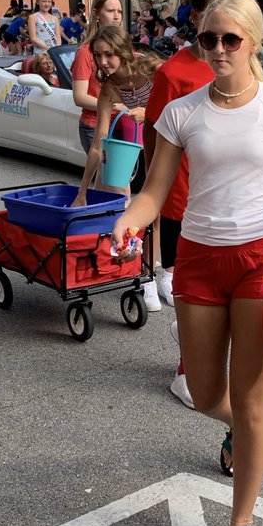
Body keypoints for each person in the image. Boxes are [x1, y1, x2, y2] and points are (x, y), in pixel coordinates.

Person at [111, 0, 263, 526]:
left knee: (253, 398)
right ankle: (242, 432)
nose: (220, 49)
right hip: (198, 258)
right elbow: (154, 190)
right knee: (203, 393)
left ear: (253, 42)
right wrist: (130, 219)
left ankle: (242, 524)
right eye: (209, 39)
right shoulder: (183, 112)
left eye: (232, 39)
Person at [143, 0, 239, 409]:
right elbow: (154, 144)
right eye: (218, 14)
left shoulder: (241, 65)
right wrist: (154, 202)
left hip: (232, 204)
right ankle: (187, 371)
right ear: (198, 17)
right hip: (186, 203)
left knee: (226, 301)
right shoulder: (174, 73)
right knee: (195, 297)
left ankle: (206, 365)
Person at [72, 23, 161, 311]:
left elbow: (181, 102)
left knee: (161, 214)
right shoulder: (108, 88)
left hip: (168, 142)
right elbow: (98, 144)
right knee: (139, 208)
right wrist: (82, 192)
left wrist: (146, 112)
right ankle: (144, 276)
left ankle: (154, 276)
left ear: (123, 51)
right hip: (140, 148)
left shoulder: (150, 68)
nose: (103, 62)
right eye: (97, 56)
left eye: (109, 54)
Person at [71, 0, 123, 154]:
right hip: (95, 125)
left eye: (119, 12)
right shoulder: (85, 52)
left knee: (122, 179)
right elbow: (79, 97)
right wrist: (116, 107)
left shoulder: (124, 48)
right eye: (110, 11)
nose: (116, 17)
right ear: (96, 13)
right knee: (107, 178)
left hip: (124, 124)